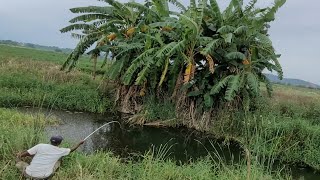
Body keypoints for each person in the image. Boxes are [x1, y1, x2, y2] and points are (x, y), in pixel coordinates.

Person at [16, 135, 85, 179]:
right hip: (44, 177)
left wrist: (19, 155)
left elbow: (26, 154)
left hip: (28, 174)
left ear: (50, 141)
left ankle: (23, 176)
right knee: (58, 161)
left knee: (19, 163)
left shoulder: (40, 145)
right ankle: (53, 175)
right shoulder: (61, 151)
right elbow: (72, 149)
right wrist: (79, 143)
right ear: (59, 143)